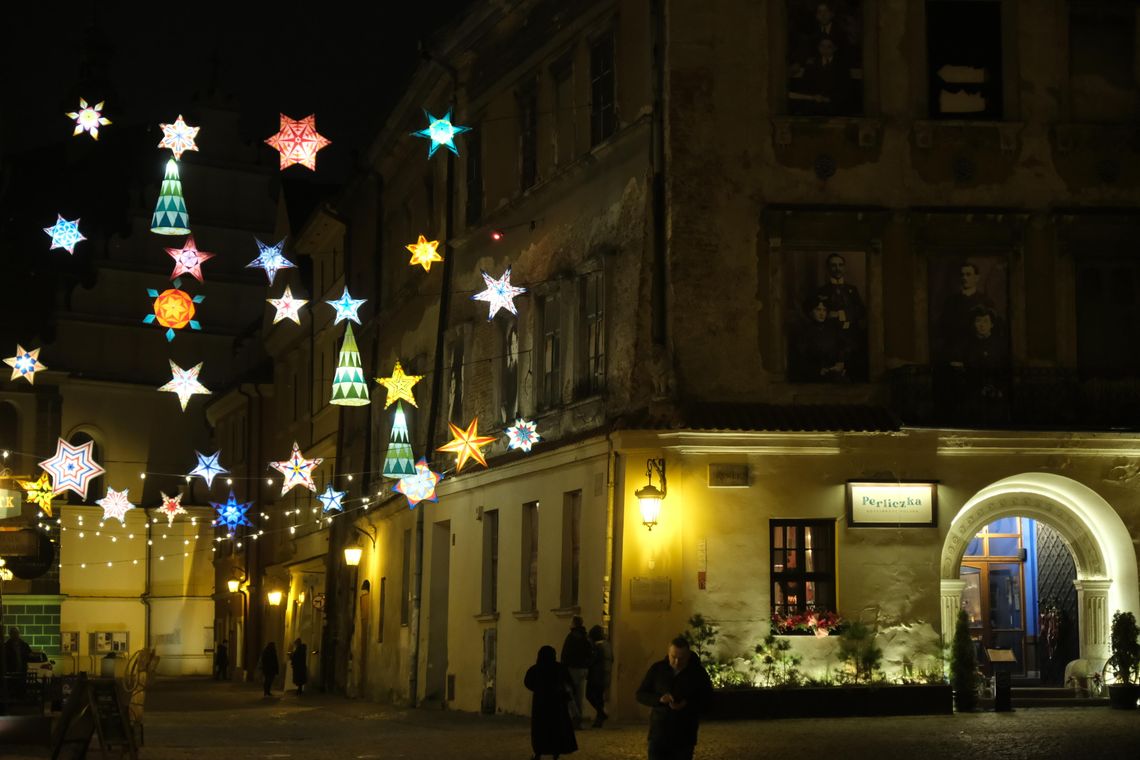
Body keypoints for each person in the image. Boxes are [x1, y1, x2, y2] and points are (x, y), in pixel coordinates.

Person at [635, 636, 713, 760]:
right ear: (668, 653)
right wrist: (659, 699)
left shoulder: (698, 673)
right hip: (659, 734)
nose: (676, 662)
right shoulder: (658, 669)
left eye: (681, 658)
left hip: (685, 735)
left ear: (688, 655)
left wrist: (687, 703)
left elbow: (708, 699)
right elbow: (640, 694)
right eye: (673, 657)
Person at [524, 645, 578, 759]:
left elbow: (528, 682)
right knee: (556, 729)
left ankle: (538, 752)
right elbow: (569, 683)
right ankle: (555, 753)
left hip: (540, 704)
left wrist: (538, 689)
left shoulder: (535, 669)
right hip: (557, 704)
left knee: (540, 729)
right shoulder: (560, 668)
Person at [560, 616, 593, 729]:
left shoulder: (571, 637)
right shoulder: (585, 637)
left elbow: (565, 654)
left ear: (574, 624)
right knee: (579, 695)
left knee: (570, 694)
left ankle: (576, 716)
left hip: (572, 669)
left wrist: (563, 668)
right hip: (583, 669)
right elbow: (590, 653)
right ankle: (578, 719)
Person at [586, 625, 613, 728]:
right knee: (599, 698)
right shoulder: (607, 646)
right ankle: (599, 721)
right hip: (606, 675)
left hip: (596, 676)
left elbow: (592, 661)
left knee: (590, 695)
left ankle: (601, 714)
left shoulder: (597, 647)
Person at [5, 627, 33, 696]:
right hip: (10, 671)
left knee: (21, 687)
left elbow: (29, 655)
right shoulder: (6, 646)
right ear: (10, 634)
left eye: (16, 633)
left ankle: (20, 699)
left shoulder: (24, 645)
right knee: (12, 687)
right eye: (13, 633)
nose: (15, 635)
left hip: (22, 670)